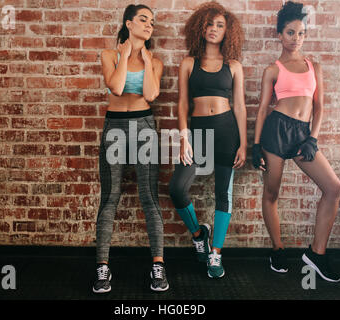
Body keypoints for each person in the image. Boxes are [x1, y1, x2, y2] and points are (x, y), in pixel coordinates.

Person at [252, 1, 340, 282]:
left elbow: (320, 107)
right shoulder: (273, 69)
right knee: (272, 193)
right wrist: (256, 146)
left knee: (333, 188)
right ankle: (278, 249)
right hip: (276, 131)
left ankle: (316, 253)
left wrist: (312, 139)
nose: (296, 38)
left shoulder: (314, 66)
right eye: (290, 33)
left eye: (301, 33)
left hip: (303, 134)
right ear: (280, 34)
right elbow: (263, 108)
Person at [169, 2, 247, 278]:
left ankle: (215, 253)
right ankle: (199, 233)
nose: (214, 29)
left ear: (228, 32)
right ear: (200, 27)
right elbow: (181, 105)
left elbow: (239, 106)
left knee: (223, 194)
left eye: (220, 25)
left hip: (227, 131)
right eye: (210, 24)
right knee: (177, 188)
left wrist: (244, 143)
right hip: (198, 132)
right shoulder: (189, 62)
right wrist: (183, 139)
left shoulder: (234, 66)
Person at [93, 4, 168, 293]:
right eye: (143, 19)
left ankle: (158, 266)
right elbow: (116, 87)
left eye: (152, 21)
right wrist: (125, 55)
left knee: (149, 196)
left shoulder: (156, 62)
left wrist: (147, 61)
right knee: (110, 196)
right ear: (128, 23)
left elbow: (150, 94)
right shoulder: (109, 55)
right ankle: (102, 268)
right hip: (114, 126)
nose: (149, 25)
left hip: (144, 126)